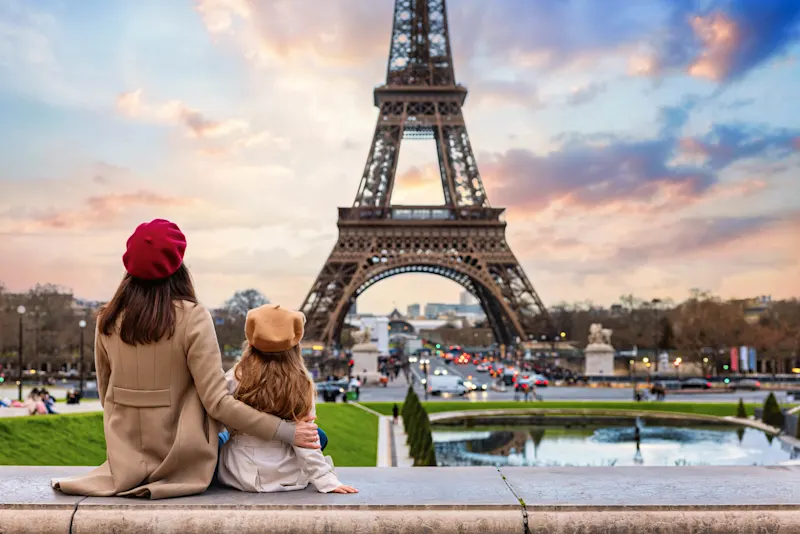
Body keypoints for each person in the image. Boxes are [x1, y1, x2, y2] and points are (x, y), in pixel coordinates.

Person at [51, 219, 320, 499]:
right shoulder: (193, 317)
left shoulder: (107, 319)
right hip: (183, 459)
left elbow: (106, 393)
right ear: (178, 263)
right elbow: (217, 403)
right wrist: (287, 432)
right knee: (315, 437)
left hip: (125, 457)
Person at [218, 304, 357, 495]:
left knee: (223, 437)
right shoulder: (302, 383)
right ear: (296, 345)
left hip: (240, 473)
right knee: (315, 433)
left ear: (249, 343)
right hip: (287, 474)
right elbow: (306, 441)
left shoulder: (235, 376)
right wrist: (326, 480)